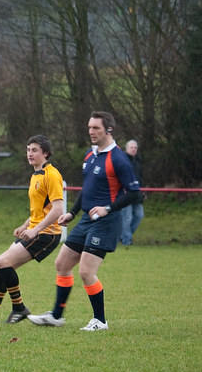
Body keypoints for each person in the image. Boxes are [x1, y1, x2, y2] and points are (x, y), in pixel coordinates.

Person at [28, 111, 140, 331]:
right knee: (62, 263)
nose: (91, 131)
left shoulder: (118, 158)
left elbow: (134, 193)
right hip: (86, 220)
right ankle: (56, 316)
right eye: (89, 127)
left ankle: (100, 320)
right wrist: (72, 212)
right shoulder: (91, 154)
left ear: (108, 130)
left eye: (96, 128)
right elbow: (87, 190)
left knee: (86, 272)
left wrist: (108, 208)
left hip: (106, 222)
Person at [0, 135, 64, 324]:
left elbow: (58, 209)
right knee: (1, 266)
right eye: (28, 150)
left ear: (45, 153)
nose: (30, 153)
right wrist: (25, 225)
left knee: (3, 262)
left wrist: (35, 230)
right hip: (34, 230)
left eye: (34, 150)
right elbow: (40, 209)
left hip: (46, 234)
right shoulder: (36, 174)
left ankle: (19, 308)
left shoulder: (51, 175)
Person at [119, 139, 144, 245]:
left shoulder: (138, 162)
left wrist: (142, 192)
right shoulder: (122, 161)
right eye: (131, 148)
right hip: (126, 193)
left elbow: (140, 178)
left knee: (139, 215)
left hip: (137, 194)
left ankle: (123, 235)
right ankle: (126, 241)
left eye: (135, 148)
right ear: (126, 149)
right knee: (127, 218)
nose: (133, 150)